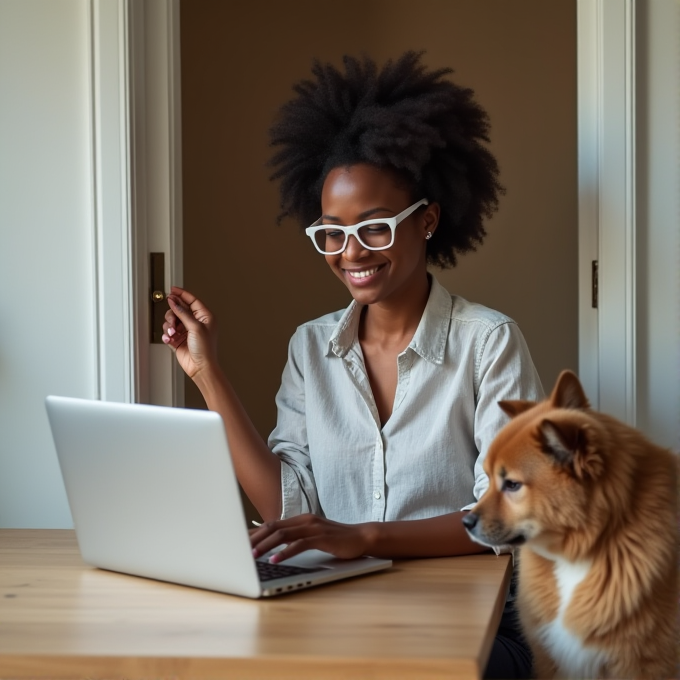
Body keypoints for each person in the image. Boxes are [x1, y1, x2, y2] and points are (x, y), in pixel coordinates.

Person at [162, 52, 543, 678]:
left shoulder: (489, 342)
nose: (350, 254)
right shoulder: (311, 349)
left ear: (427, 219)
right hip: (345, 608)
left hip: (477, 620)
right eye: (331, 233)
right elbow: (290, 510)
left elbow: (508, 510)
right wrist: (206, 373)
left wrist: (362, 538)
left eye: (374, 228)